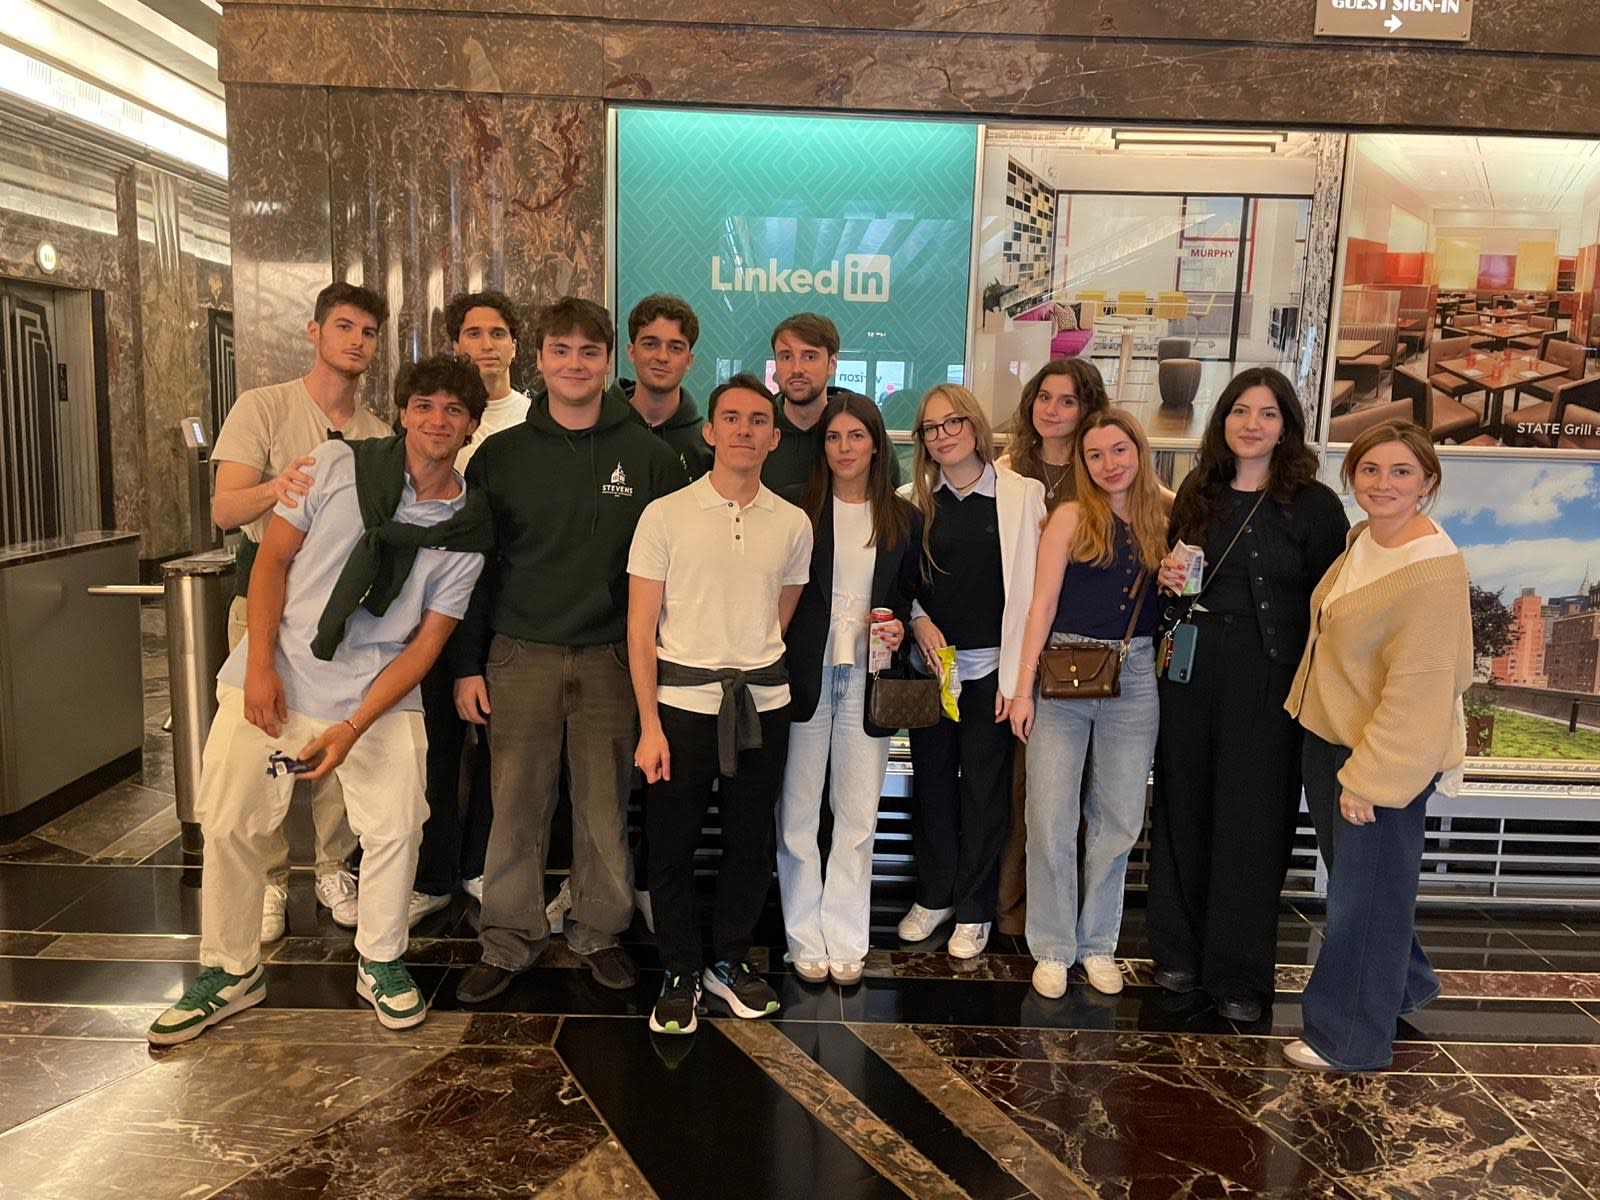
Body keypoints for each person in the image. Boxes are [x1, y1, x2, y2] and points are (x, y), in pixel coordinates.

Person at [148, 355, 490, 1045]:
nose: (437, 419)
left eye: (454, 409)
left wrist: (355, 725)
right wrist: (261, 668)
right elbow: (271, 561)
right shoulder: (334, 468)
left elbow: (424, 648)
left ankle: (382, 959)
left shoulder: (465, 526)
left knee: (396, 827)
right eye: (424, 403)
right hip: (275, 675)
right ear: (402, 412)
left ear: (472, 427)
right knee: (233, 823)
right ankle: (230, 969)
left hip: (377, 695)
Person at [451, 298, 688, 1003]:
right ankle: (509, 936)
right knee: (516, 803)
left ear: (607, 361)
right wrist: (467, 662)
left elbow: (670, 576)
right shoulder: (501, 456)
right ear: (541, 360)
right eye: (561, 351)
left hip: (612, 659)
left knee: (602, 806)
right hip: (519, 654)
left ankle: (597, 930)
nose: (575, 365)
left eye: (589, 352)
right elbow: (474, 567)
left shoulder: (650, 458)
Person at [1147, 368, 1348, 1023]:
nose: (1252, 424)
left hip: (1271, 679)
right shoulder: (1198, 492)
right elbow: (1176, 587)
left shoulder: (1314, 505)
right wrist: (1170, 579)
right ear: (1223, 420)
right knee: (1183, 809)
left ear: (1286, 425)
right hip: (1193, 672)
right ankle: (1179, 956)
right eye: (1240, 411)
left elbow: (1332, 604)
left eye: (1267, 413)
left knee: (1253, 823)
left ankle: (1239, 974)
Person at [1283, 421, 1471, 1072]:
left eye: (1400, 472)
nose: (1382, 484)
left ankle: (1350, 1038)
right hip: (1331, 739)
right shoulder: (1365, 539)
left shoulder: (1430, 568)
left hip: (1378, 759)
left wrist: (1373, 777)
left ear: (1428, 481)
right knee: (1372, 889)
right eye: (1369, 470)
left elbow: (1420, 688)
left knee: (1363, 900)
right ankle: (1406, 984)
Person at [627, 373, 813, 1035]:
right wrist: (649, 724)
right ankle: (679, 967)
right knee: (672, 846)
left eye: (757, 420)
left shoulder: (793, 523)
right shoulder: (665, 515)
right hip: (679, 708)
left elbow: (778, 617)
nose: (743, 430)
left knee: (748, 842)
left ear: (774, 435)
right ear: (709, 432)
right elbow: (639, 629)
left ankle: (730, 961)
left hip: (763, 706)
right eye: (730, 418)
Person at [210, 282, 394, 943]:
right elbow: (225, 509)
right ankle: (266, 881)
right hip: (266, 603)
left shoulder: (377, 435)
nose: (356, 340)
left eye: (369, 332)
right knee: (262, 747)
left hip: (342, 620)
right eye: (344, 326)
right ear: (314, 332)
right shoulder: (264, 407)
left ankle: (332, 868)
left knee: (341, 751)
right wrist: (279, 486)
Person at [1008, 408, 1172, 999]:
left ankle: (1099, 942)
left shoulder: (1164, 515)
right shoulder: (1072, 517)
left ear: (1139, 451)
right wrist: (1020, 688)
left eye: (1120, 451)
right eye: (1096, 454)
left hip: (1134, 676)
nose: (1109, 464)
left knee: (1120, 818)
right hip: (1063, 672)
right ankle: (1052, 946)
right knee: (1050, 815)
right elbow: (1040, 606)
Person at [898, 385, 1045, 960]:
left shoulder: (1022, 495)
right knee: (933, 786)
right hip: (934, 671)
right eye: (930, 428)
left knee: (985, 793)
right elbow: (898, 582)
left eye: (952, 422)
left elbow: (1035, 592)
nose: (942, 435)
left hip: (994, 673)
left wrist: (1021, 679)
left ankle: (975, 908)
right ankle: (933, 896)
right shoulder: (912, 500)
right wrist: (918, 622)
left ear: (976, 425)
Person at [777, 394, 920, 986]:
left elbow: (911, 601)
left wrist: (898, 625)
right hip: (807, 677)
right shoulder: (798, 511)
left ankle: (847, 937)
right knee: (798, 817)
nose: (844, 448)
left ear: (876, 444)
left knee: (858, 818)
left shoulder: (903, 518)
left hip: (870, 680)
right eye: (833, 438)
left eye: (856, 436)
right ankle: (803, 937)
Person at [412, 290, 531, 921]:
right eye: (472, 333)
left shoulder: (532, 418)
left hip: (501, 600)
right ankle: (433, 870)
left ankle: (483, 863)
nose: (485, 344)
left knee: (498, 747)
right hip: (431, 601)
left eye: (497, 333)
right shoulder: (440, 417)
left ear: (516, 344)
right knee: (436, 744)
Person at [993, 358, 1112, 936]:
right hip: (1023, 648)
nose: (1052, 410)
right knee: (1027, 793)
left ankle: (1079, 918)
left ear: (1089, 409)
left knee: (1085, 792)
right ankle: (1014, 911)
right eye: (1044, 397)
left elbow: (1158, 507)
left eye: (1067, 401)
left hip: (1088, 654)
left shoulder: (1103, 471)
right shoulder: (1011, 469)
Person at [761, 312, 901, 500]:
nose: (796, 369)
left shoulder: (863, 435)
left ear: (832, 364)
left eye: (809, 357)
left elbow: (890, 512)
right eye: (786, 357)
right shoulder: (757, 432)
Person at [614, 292, 713, 480]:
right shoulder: (601, 429)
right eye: (650, 344)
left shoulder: (707, 444)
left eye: (675, 347)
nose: (662, 357)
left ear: (689, 360)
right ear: (631, 352)